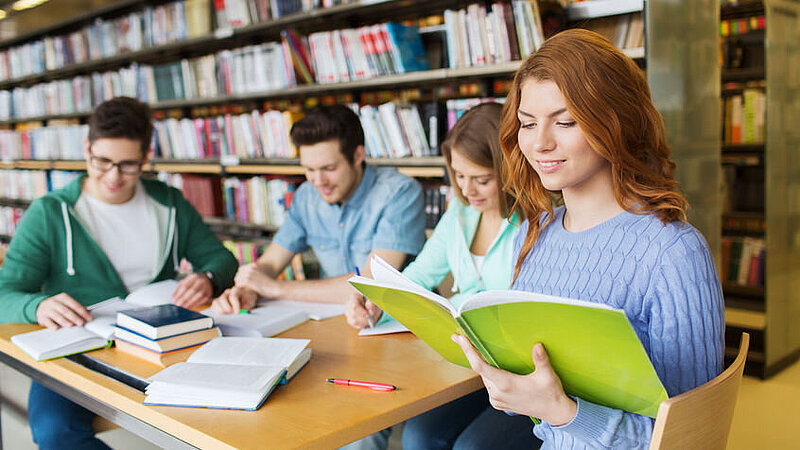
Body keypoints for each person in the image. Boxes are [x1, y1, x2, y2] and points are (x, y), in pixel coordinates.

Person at [450, 29, 726, 449]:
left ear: (615, 121)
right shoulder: (534, 233)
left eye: (565, 121)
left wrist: (565, 411)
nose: (540, 142)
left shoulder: (673, 253)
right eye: (527, 123)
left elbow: (692, 439)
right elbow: (535, 401)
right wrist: (506, 383)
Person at [0, 97, 239, 449]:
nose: (113, 176)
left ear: (146, 158)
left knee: (232, 416)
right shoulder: (49, 213)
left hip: (165, 347)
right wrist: (38, 306)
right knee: (55, 431)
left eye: (128, 165)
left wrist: (208, 278)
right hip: (77, 352)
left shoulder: (169, 203)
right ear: (87, 149)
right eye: (102, 162)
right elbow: (5, 294)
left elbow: (222, 260)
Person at [346, 103, 541, 450]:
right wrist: (377, 303)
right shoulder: (459, 214)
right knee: (418, 437)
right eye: (459, 177)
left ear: (509, 168)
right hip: (467, 369)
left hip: (521, 376)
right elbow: (419, 275)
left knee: (472, 448)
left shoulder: (536, 223)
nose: (468, 191)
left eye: (482, 179)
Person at [211, 104, 426, 313]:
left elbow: (373, 285)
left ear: (358, 155)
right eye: (309, 169)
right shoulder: (306, 196)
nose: (319, 181)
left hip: (400, 322)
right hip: (335, 319)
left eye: (329, 168)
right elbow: (272, 261)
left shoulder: (400, 192)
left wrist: (274, 288)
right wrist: (247, 289)